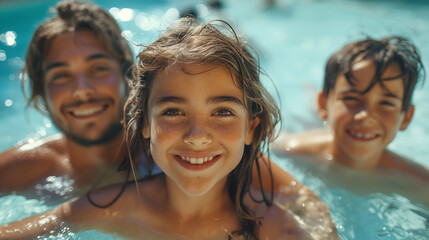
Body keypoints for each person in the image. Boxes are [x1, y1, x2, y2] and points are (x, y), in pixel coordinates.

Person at [0, 18, 338, 239]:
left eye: (222, 112)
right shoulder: (110, 205)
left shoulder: (274, 224)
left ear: (252, 128)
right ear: (144, 123)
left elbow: (301, 200)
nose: (197, 135)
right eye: (174, 111)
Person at [0, 0, 146, 203]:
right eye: (61, 75)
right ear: (41, 92)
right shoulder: (17, 172)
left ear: (127, 75)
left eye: (98, 68)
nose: (82, 90)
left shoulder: (168, 158)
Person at [273, 36, 429, 182]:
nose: (366, 115)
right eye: (351, 98)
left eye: (386, 104)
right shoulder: (289, 151)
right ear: (323, 104)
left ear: (406, 118)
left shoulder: (419, 182)